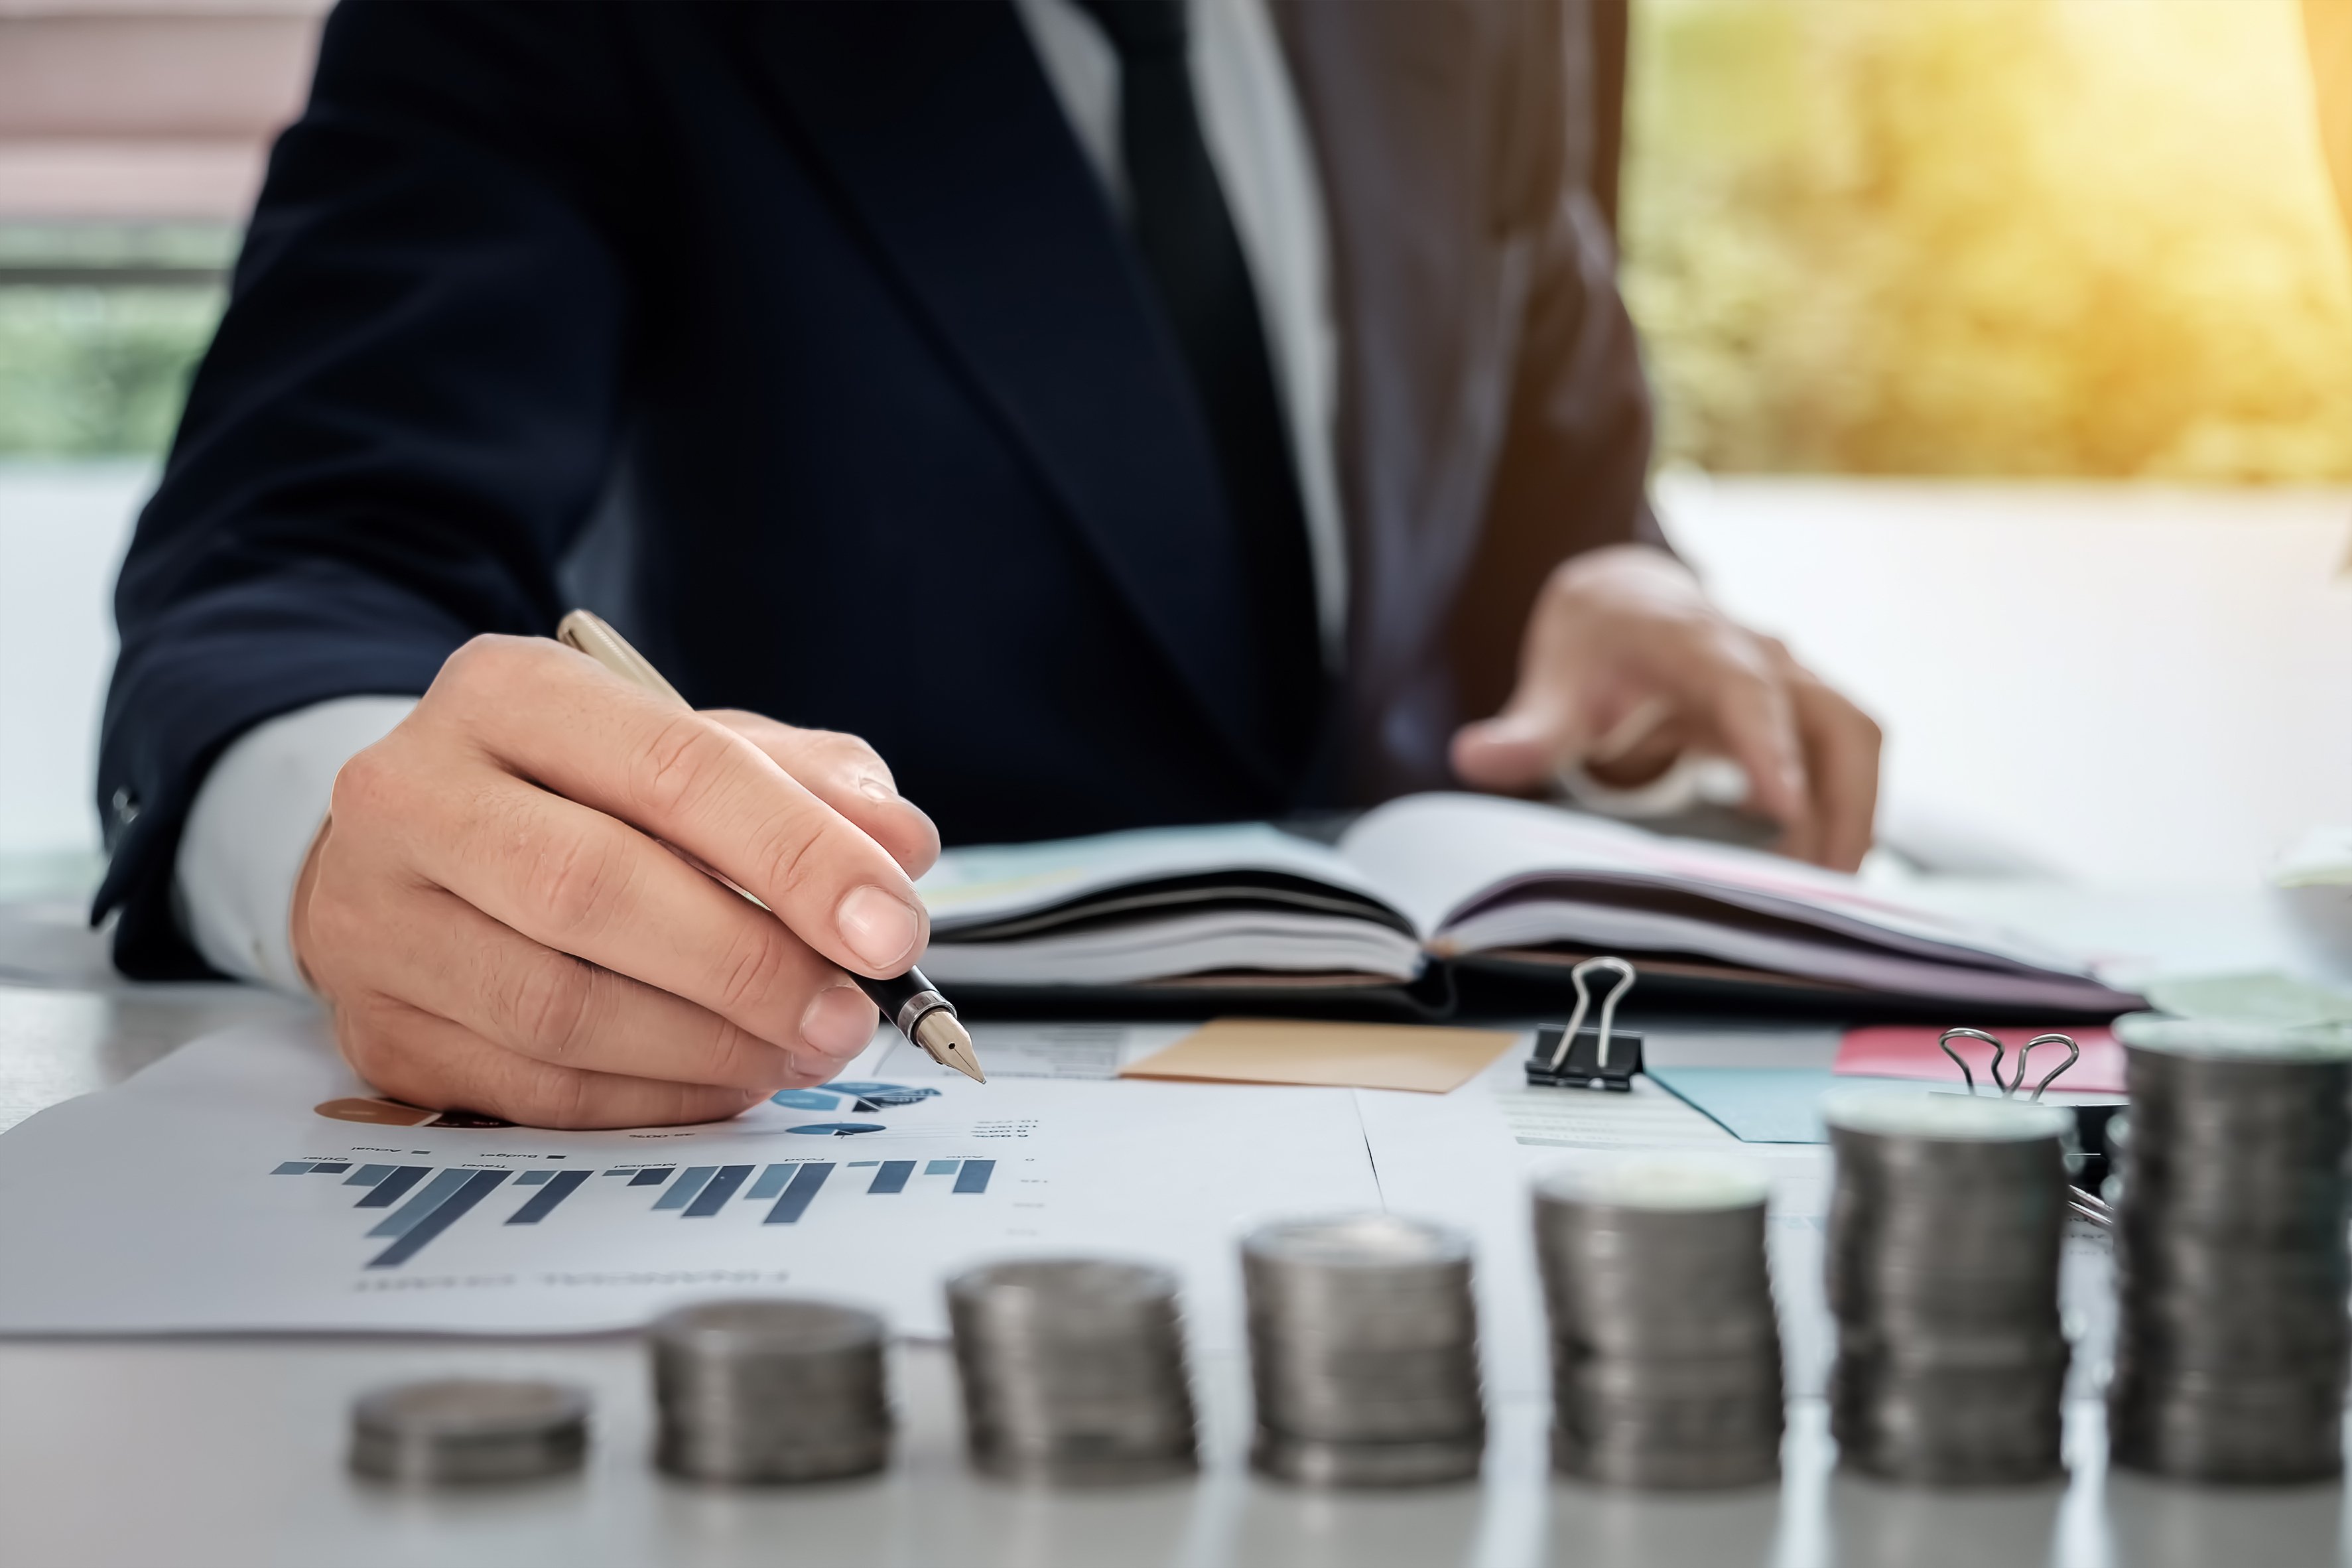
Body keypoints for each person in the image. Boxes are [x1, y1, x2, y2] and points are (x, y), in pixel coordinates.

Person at [98, 0, 1880, 1128]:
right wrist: (340, 843)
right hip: (812, 1050)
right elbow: (295, 550)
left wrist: (1620, 600)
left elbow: (1548, 502)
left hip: (1441, 1102)